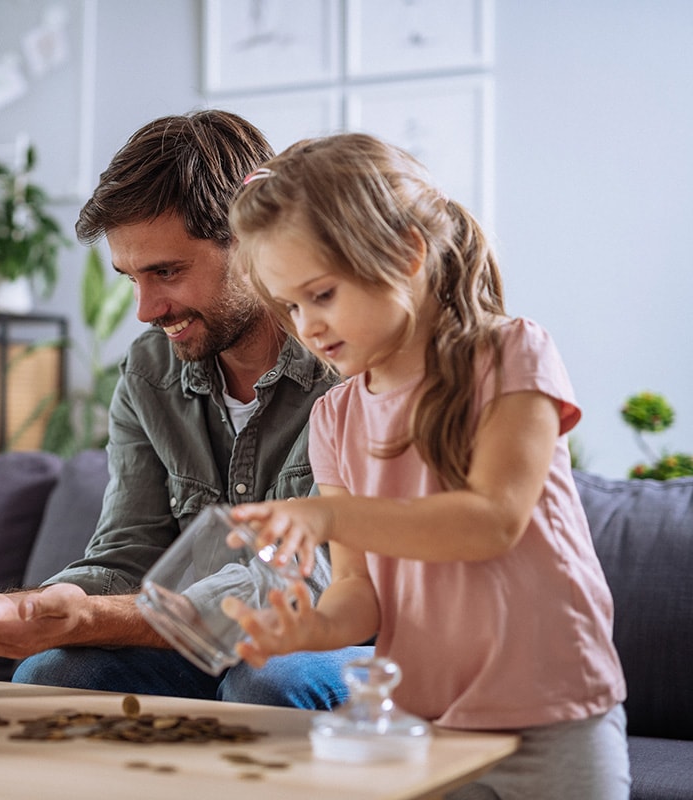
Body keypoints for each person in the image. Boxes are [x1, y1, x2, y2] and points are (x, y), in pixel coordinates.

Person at [0, 110, 370, 709]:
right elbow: (128, 553)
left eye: (167, 271)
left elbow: (309, 585)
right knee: (53, 675)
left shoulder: (349, 367)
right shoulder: (150, 371)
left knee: (267, 680)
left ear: (254, 243)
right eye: (131, 277)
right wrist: (26, 607)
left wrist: (87, 620)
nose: (146, 308)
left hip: (337, 633)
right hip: (197, 642)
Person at [224, 133, 630, 798]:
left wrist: (328, 513)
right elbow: (359, 592)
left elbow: (490, 521)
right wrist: (314, 628)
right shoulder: (334, 419)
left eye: (322, 293)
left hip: (558, 714)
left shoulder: (511, 356)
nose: (308, 326)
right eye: (291, 306)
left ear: (407, 252)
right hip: (424, 725)